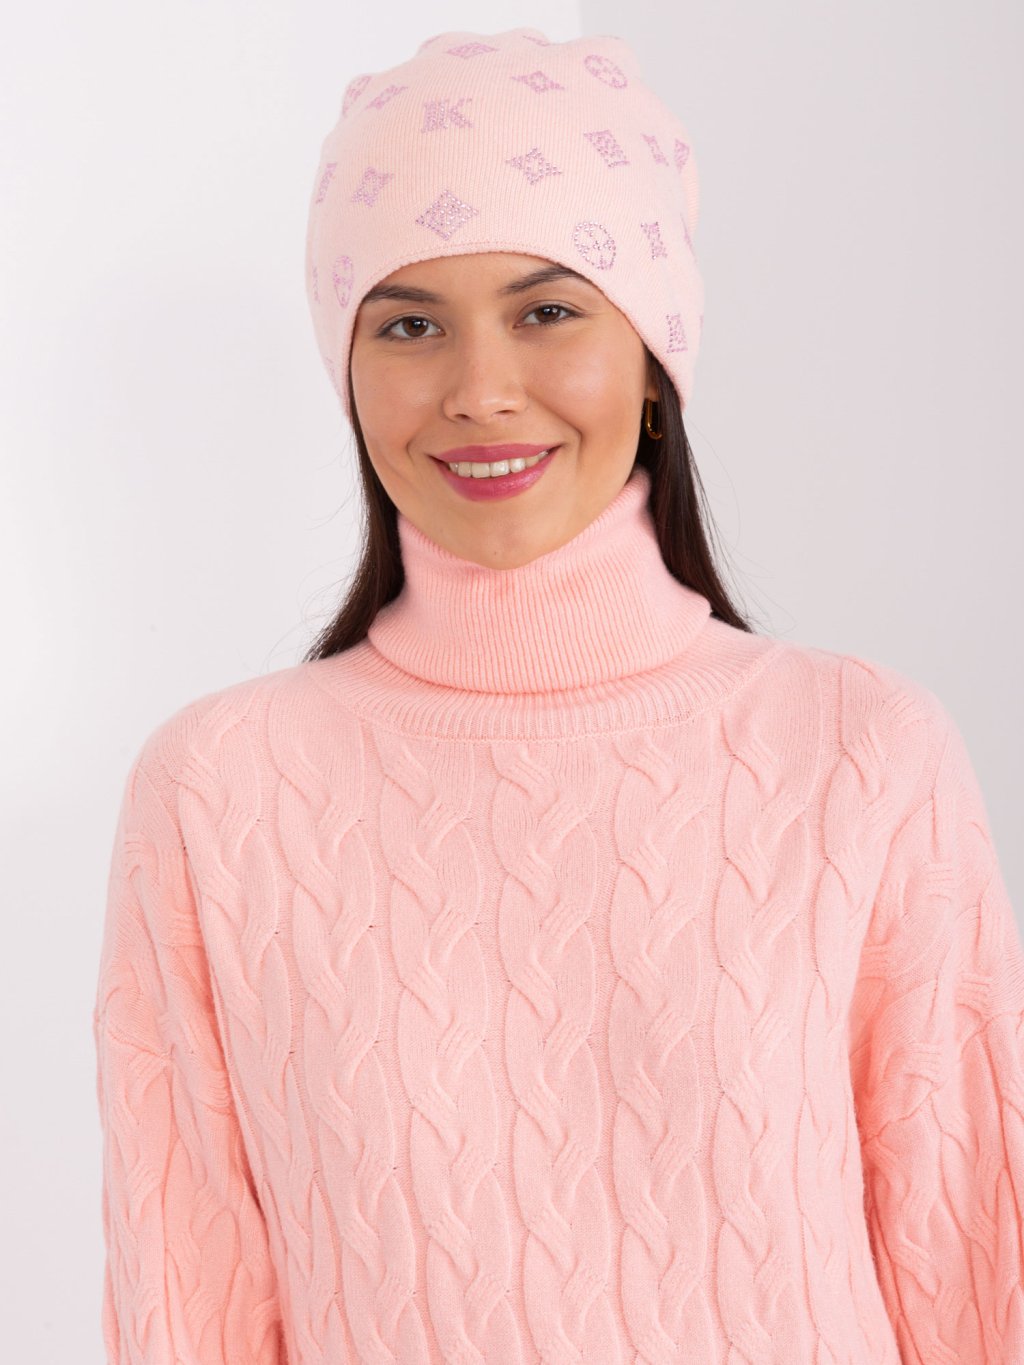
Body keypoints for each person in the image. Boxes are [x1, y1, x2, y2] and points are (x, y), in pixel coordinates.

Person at [92, 27, 1024, 1364]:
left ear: (653, 362)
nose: (480, 391)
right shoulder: (219, 793)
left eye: (547, 312)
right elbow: (190, 1311)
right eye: (409, 325)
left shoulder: (862, 753)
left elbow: (973, 1282)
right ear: (349, 376)